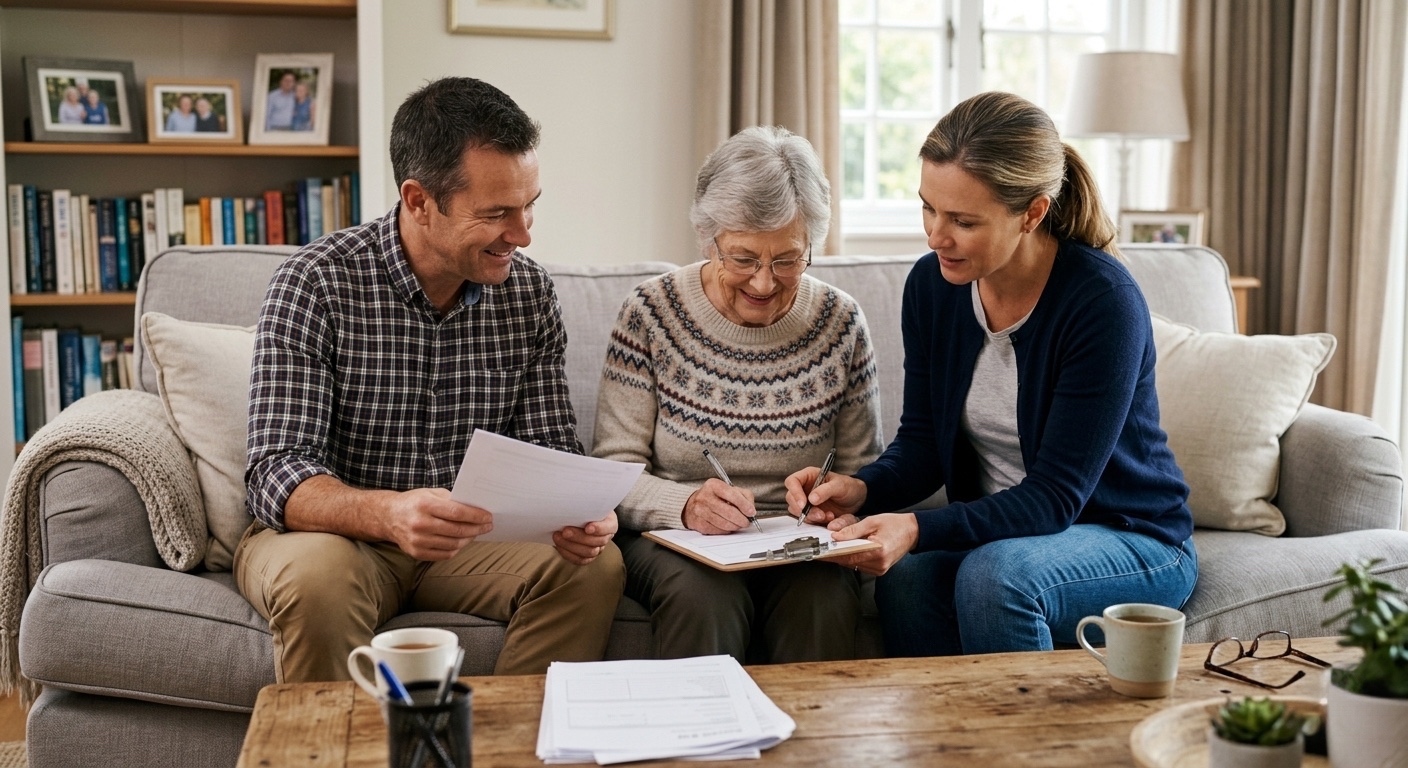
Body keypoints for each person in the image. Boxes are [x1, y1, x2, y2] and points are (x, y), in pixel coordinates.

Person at [237, 76, 625, 684]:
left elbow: (549, 450)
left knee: (595, 568)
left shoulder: (527, 293)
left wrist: (581, 513)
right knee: (317, 579)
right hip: (339, 541)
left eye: (529, 206)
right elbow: (276, 472)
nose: (523, 234)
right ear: (418, 201)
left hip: (472, 546)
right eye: (497, 213)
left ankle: (505, 750)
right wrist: (389, 514)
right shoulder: (315, 283)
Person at [784, 91, 1198, 657]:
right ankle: (941, 746)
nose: (935, 236)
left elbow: (1055, 499)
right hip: (1014, 537)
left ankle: (1021, 746)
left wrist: (918, 528)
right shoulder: (933, 287)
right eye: (928, 207)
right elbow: (925, 443)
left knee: (996, 576)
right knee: (907, 578)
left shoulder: (1102, 302)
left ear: (1032, 213)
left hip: (1132, 537)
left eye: (963, 221)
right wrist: (862, 488)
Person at [591, 125, 883, 663]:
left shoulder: (840, 323)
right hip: (679, 542)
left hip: (799, 544)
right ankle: (703, 746)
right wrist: (686, 506)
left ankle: (817, 746)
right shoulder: (651, 314)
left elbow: (867, 474)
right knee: (703, 595)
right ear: (710, 239)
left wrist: (840, 508)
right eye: (744, 258)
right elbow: (613, 471)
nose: (765, 283)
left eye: (788, 260)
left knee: (820, 598)